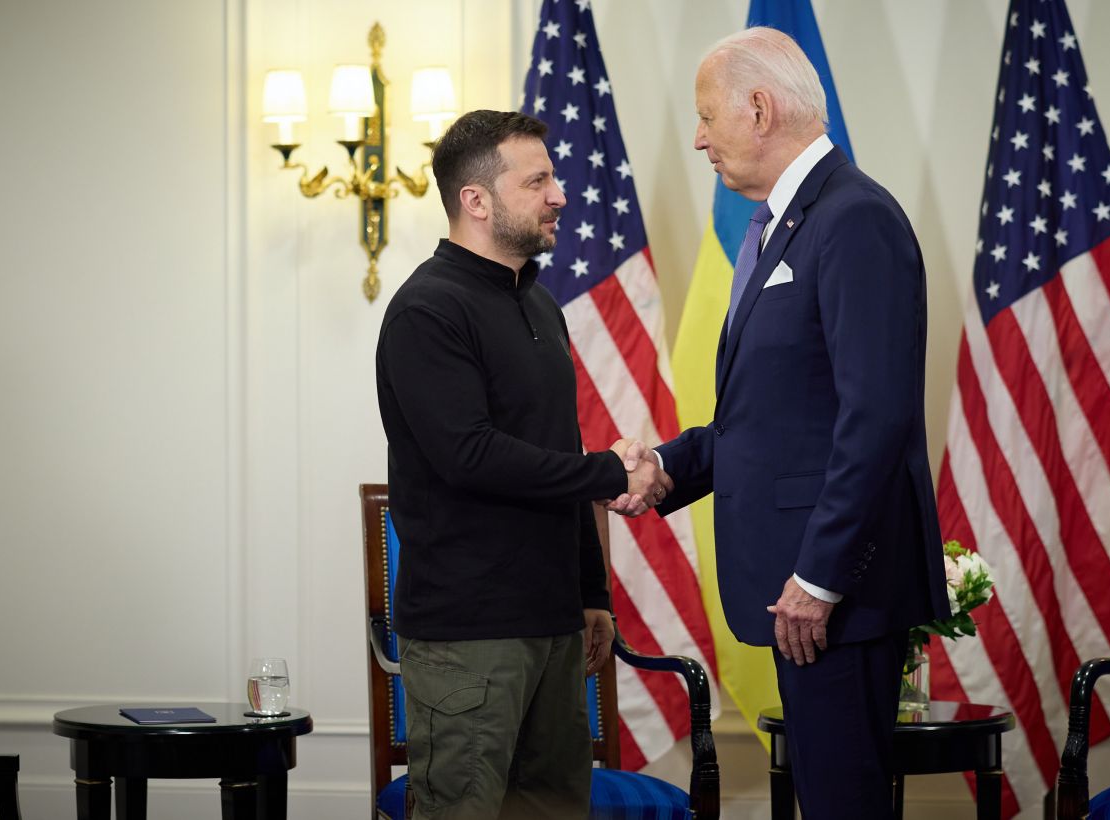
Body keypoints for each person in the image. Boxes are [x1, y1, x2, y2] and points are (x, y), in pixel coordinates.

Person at [619, 28, 951, 817]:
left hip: (834, 596)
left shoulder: (854, 218)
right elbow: (770, 422)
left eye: (708, 117)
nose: (699, 139)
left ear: (760, 110)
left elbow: (877, 418)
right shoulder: (787, 223)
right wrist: (666, 466)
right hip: (803, 594)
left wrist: (820, 577)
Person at [375, 109, 671, 820]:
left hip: (555, 621)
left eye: (554, 178)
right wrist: (610, 472)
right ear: (476, 200)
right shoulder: (426, 310)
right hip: (468, 632)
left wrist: (590, 591)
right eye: (537, 181)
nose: (559, 195)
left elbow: (556, 451)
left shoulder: (540, 305)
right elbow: (470, 456)